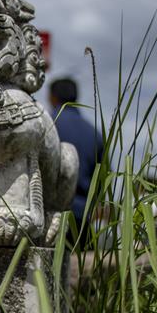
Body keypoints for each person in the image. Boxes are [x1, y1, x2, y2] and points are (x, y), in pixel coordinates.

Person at [48, 77, 104, 242]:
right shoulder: (95, 133)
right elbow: (102, 182)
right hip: (82, 221)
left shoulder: (47, 124)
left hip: (47, 218)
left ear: (52, 97)